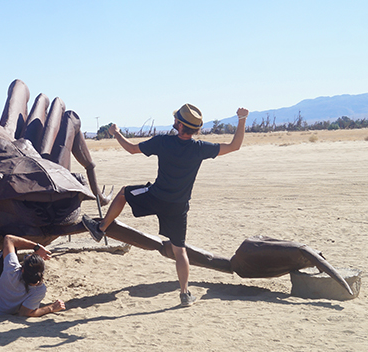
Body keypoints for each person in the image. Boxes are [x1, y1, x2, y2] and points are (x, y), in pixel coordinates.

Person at [83, 103, 249, 306]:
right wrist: (242, 119)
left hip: (156, 197)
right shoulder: (200, 148)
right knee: (180, 251)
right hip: (178, 207)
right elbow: (234, 146)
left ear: (179, 125)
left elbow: (132, 149)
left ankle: (100, 228)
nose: (175, 120)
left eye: (176, 119)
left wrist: (116, 132)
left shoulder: (163, 142)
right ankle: (185, 294)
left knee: (124, 193)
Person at [0, 234, 66, 316]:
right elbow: (24, 313)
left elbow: (9, 239)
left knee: (5, 252)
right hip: (6, 312)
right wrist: (51, 308)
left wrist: (36, 247)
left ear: (22, 270)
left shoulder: (12, 269)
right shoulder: (39, 290)